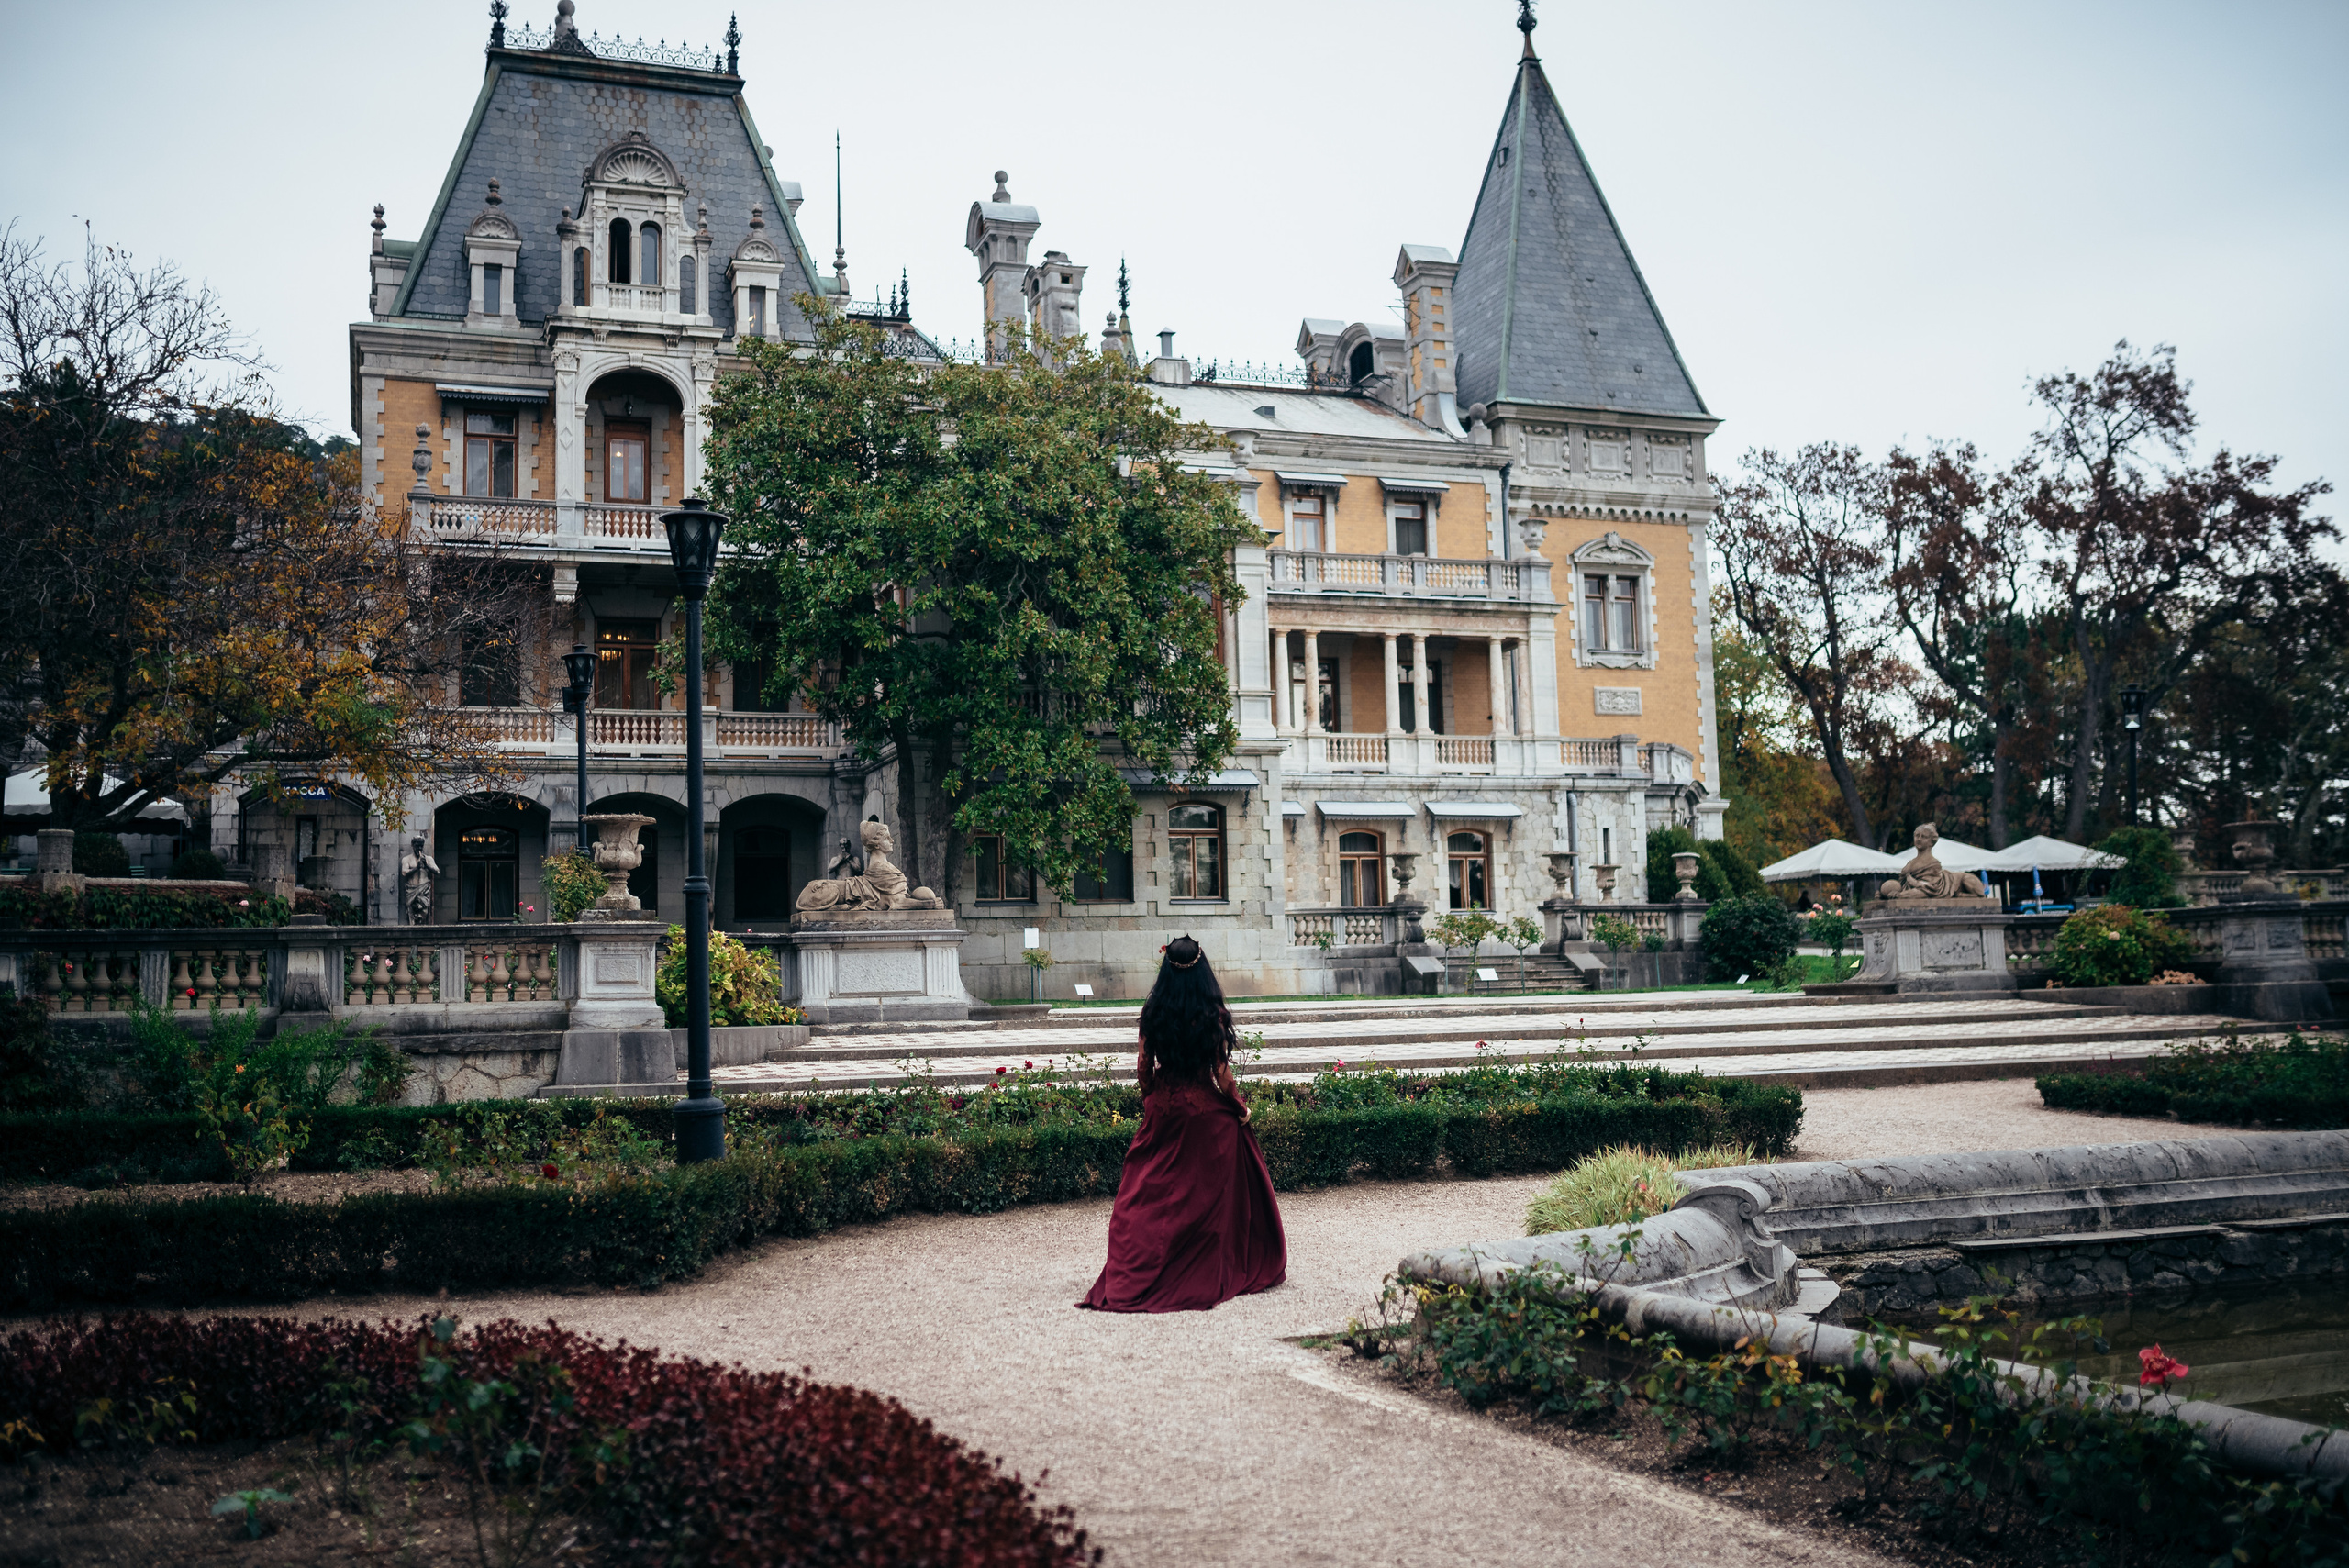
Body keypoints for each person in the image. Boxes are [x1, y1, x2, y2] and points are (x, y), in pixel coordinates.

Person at [1080, 936, 1286, 1312]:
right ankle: (1203, 1259)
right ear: (1202, 968)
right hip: (1203, 1112)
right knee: (1204, 1188)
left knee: (1146, 1187)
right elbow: (1221, 1074)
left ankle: (1141, 1262)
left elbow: (1144, 1067)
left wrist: (1153, 1098)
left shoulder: (1154, 1011)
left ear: (1167, 969)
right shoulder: (1212, 1012)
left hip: (1165, 1107)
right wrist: (1240, 1109)